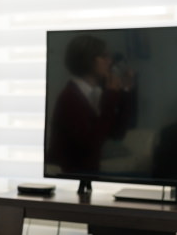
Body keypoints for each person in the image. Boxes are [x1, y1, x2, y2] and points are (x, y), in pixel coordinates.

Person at [47, 34, 136, 174]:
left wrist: (125, 91)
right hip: (67, 177)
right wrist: (111, 95)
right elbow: (92, 142)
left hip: (89, 175)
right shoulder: (69, 98)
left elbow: (117, 134)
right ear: (87, 59)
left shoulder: (97, 94)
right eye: (103, 56)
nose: (109, 61)